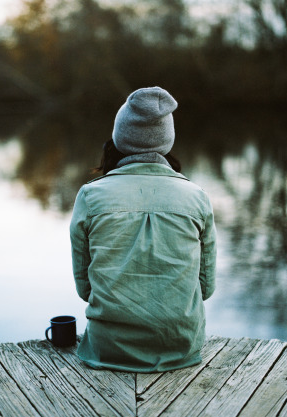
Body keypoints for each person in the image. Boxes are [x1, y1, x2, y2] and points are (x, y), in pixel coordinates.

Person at [70, 86, 217, 372]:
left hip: (107, 348)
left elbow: (85, 289)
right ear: (167, 139)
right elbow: (206, 288)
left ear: (120, 136)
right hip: (180, 348)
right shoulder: (196, 196)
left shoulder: (90, 196)